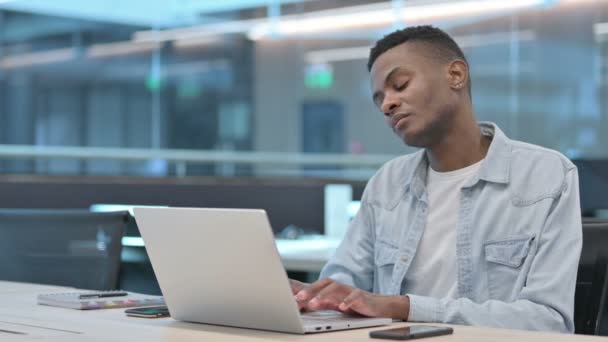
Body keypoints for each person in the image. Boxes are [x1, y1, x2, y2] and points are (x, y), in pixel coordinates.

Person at [290, 25, 582, 333]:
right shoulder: (387, 183)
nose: (388, 104)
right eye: (379, 100)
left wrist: (404, 307)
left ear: (456, 75)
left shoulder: (547, 176)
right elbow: (344, 286)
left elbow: (550, 321)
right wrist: (312, 296)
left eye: (400, 85)